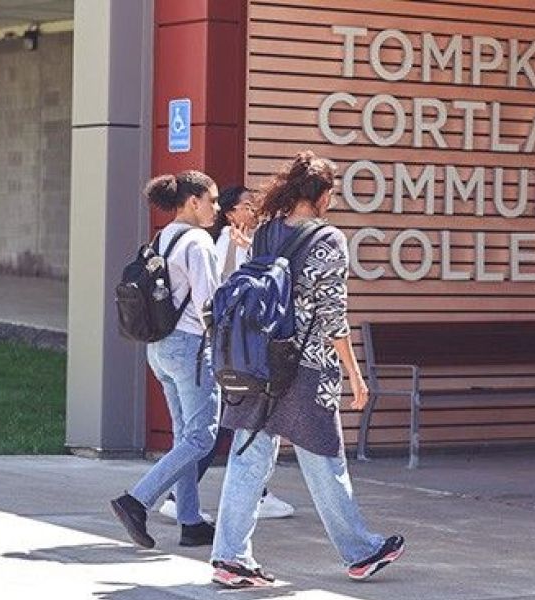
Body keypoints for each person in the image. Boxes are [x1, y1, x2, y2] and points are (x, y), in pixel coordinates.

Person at [209, 152, 405, 588]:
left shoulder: (265, 232)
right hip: (305, 366)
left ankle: (230, 557)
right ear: (322, 195)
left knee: (249, 456)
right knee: (324, 456)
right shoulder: (329, 239)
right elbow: (333, 315)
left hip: (256, 359)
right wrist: (355, 373)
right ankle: (360, 551)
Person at [159, 185, 296, 522]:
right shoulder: (210, 242)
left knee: (204, 428)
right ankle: (143, 498)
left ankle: (186, 510)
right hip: (221, 345)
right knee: (209, 430)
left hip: (180, 344)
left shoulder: (170, 237)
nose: (254, 212)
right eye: (245, 206)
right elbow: (215, 296)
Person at [110, 170, 222, 548]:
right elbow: (210, 303)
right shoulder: (198, 242)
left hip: (160, 348)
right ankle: (137, 500)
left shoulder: (164, 237)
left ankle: (190, 520)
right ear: (193, 201)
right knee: (202, 436)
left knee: (184, 435)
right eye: (213, 200)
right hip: (190, 349)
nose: (216, 208)